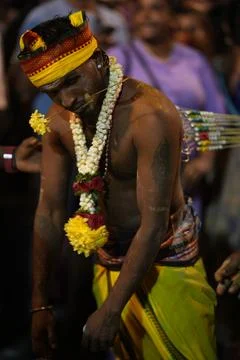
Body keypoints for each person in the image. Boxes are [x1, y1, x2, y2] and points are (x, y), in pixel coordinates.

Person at [18, 10, 217, 359]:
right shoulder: (60, 120)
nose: (66, 99)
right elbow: (48, 213)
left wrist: (111, 310)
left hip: (167, 264)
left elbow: (153, 225)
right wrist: (39, 304)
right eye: (52, 91)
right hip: (106, 261)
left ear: (96, 59)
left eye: (71, 81)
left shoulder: (149, 115)